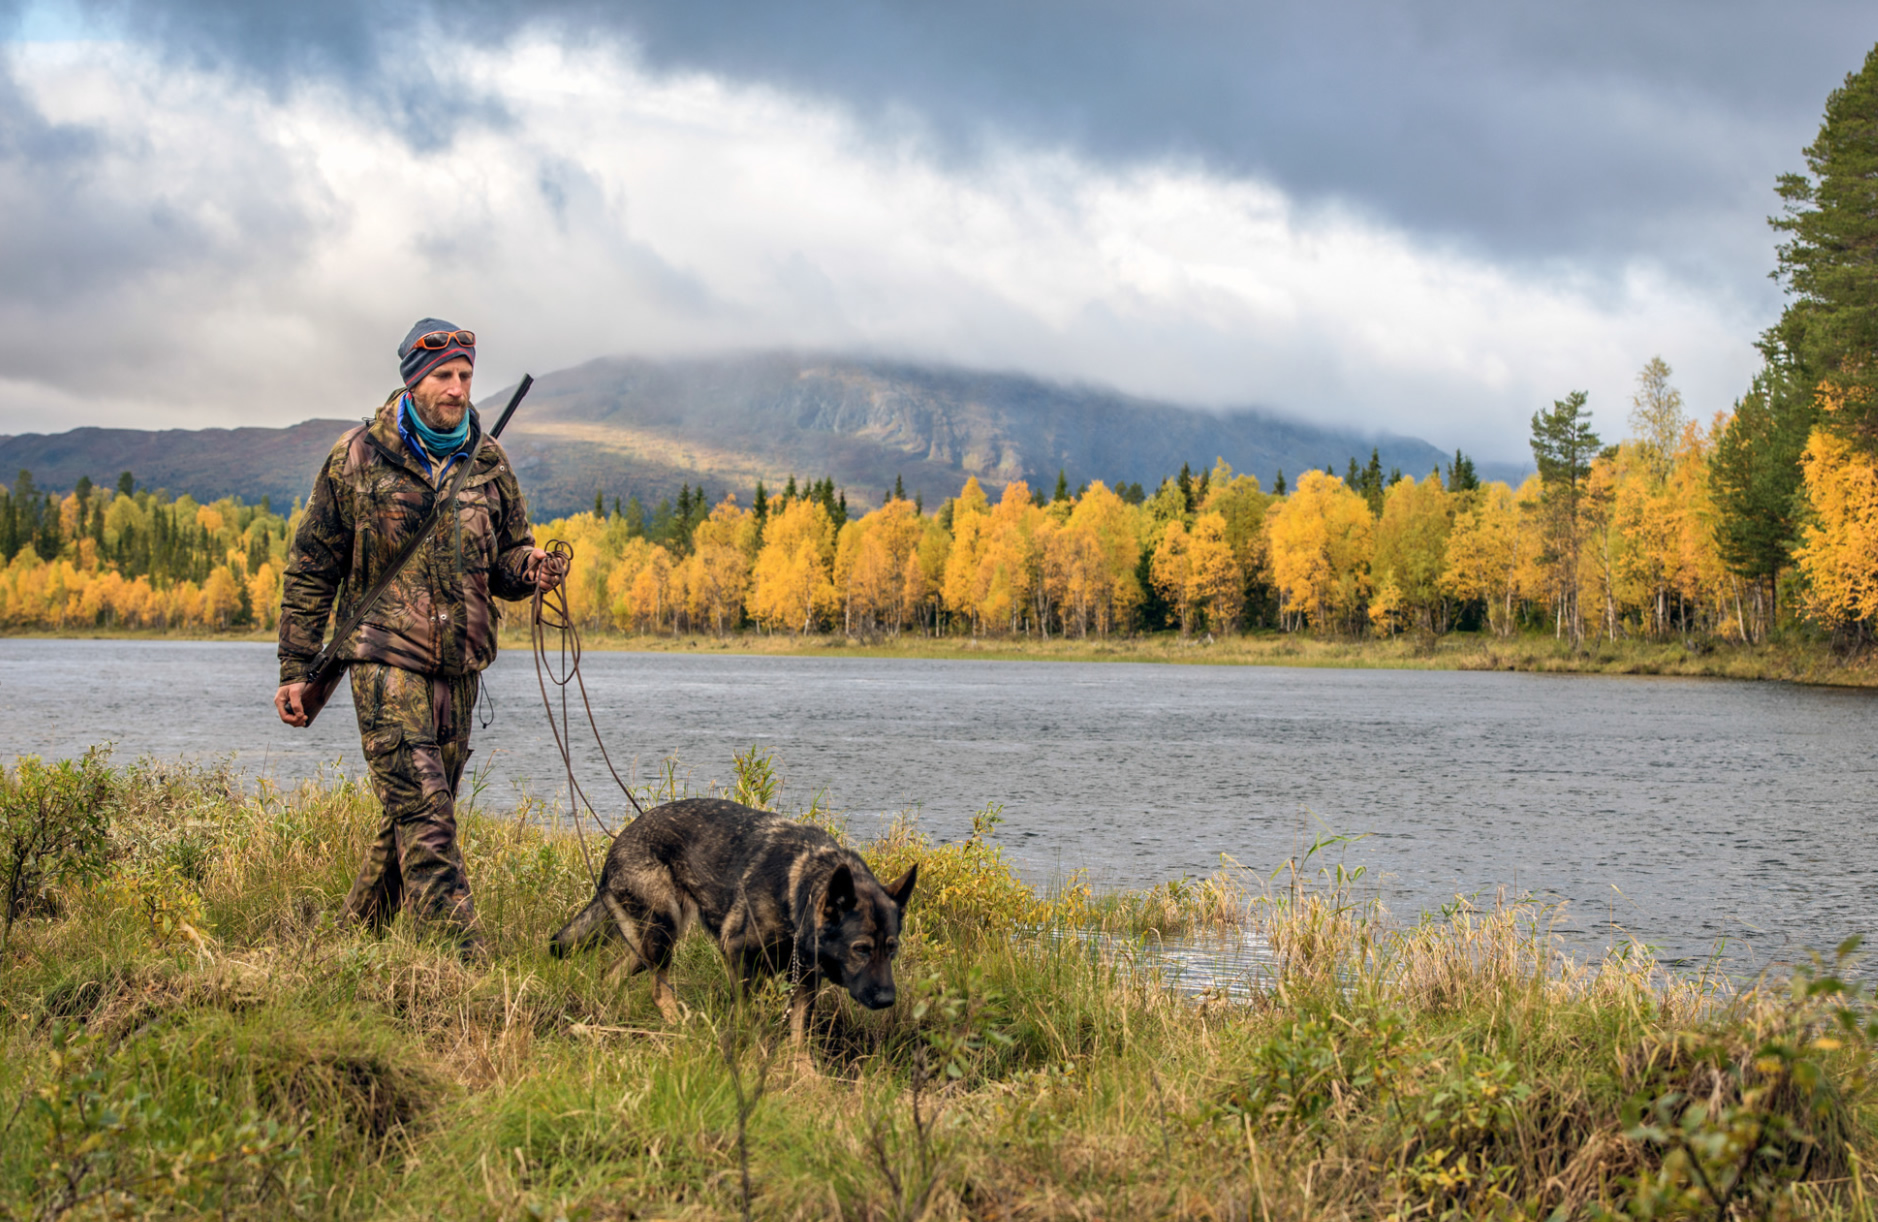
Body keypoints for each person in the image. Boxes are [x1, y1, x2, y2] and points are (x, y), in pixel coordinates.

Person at [272, 318, 562, 960]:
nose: (459, 389)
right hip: (382, 660)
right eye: (444, 376)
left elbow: (507, 558)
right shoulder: (355, 457)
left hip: (459, 669)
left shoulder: (489, 462)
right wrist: (297, 665)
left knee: (410, 818)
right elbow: (312, 566)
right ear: (412, 381)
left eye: (465, 375)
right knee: (427, 815)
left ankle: (347, 947)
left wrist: (531, 568)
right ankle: (462, 970)